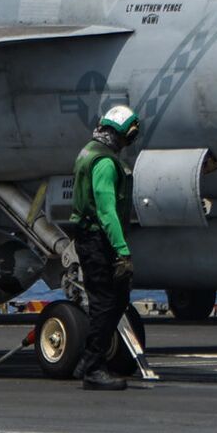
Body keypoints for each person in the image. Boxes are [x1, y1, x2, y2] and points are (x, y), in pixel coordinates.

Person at [70, 105, 142, 391]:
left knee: (117, 299)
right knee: (104, 303)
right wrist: (122, 250)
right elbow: (107, 210)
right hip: (98, 240)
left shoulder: (89, 151)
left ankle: (86, 362)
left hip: (92, 238)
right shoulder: (104, 162)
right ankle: (93, 369)